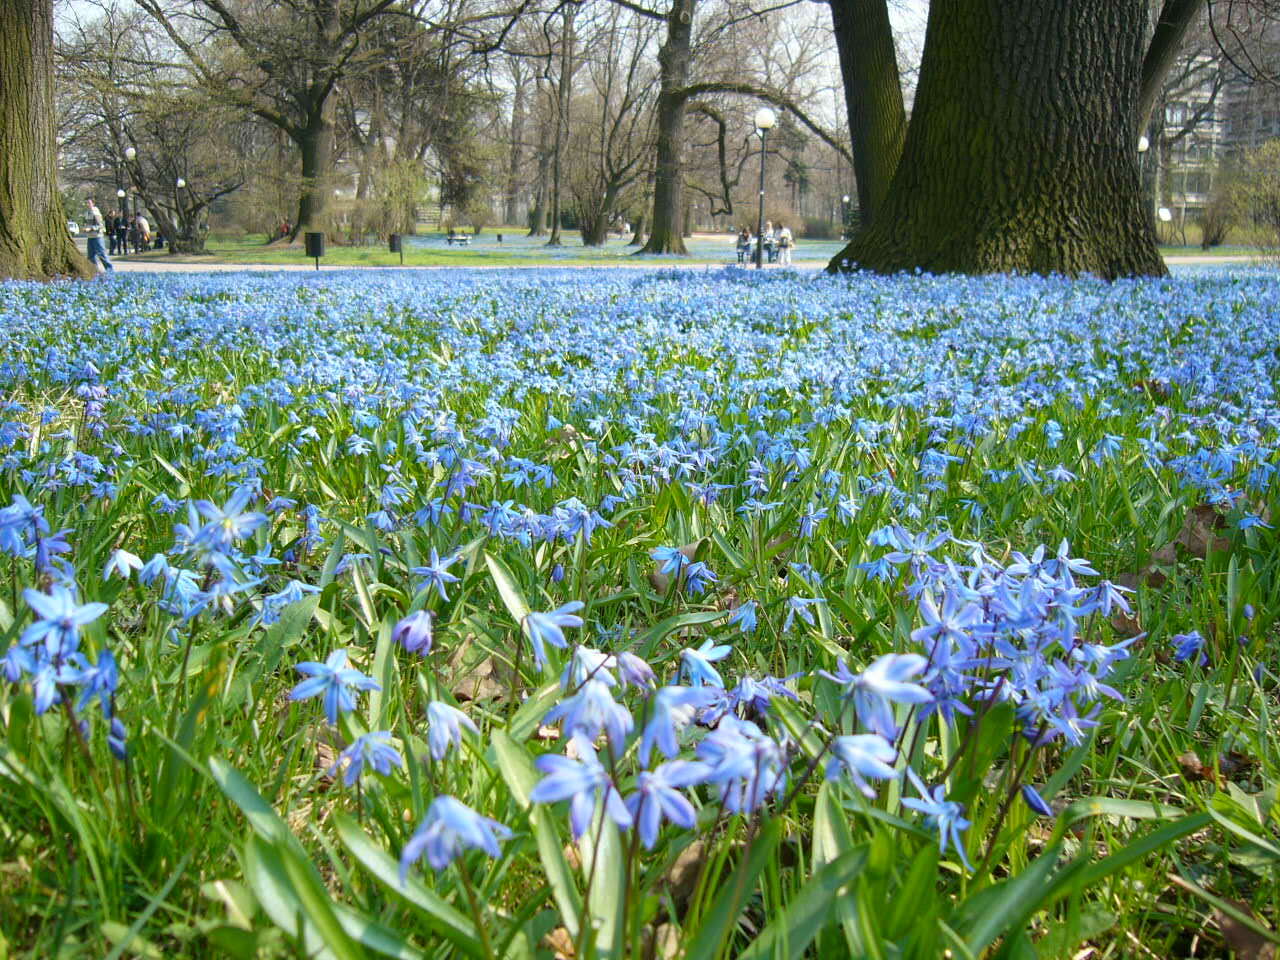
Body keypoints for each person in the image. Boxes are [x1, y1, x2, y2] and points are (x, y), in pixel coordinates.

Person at [84, 199, 113, 274]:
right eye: (86, 203)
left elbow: (100, 225)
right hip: (90, 237)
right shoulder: (87, 213)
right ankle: (94, 271)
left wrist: (90, 228)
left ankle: (110, 270)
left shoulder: (95, 212)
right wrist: (85, 228)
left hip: (97, 237)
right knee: (90, 256)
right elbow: (87, 223)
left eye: (89, 203)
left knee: (102, 254)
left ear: (93, 203)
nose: (87, 204)